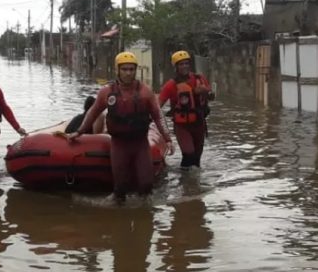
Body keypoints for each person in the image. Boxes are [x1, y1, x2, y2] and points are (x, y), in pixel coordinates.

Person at [67, 51, 174, 203]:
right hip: (119, 144)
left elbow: (158, 115)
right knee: (120, 189)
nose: (128, 73)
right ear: (117, 70)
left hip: (140, 144)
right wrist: (79, 132)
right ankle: (118, 217)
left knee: (146, 185)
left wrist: (168, 139)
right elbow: (93, 112)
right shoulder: (107, 92)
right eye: (125, 69)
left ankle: (145, 219)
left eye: (131, 69)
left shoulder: (145, 92)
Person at [158, 50, 215, 169]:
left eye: (186, 63)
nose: (184, 66)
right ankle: (184, 182)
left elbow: (211, 97)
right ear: (176, 67)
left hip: (199, 123)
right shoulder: (171, 85)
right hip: (182, 126)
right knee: (189, 155)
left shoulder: (200, 79)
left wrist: (206, 92)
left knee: (196, 160)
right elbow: (158, 106)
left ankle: (192, 185)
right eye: (181, 64)